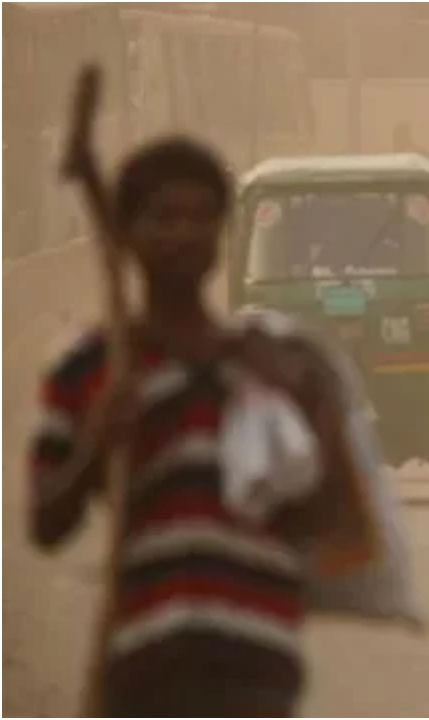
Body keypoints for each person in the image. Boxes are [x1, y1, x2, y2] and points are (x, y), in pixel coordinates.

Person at [28, 137, 351, 717]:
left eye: (202, 217)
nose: (184, 234)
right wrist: (96, 442)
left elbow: (322, 521)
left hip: (259, 665)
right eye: (165, 217)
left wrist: (320, 421)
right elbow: (47, 522)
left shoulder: (265, 364)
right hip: (147, 662)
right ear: (126, 232)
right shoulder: (90, 370)